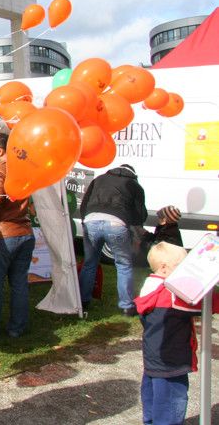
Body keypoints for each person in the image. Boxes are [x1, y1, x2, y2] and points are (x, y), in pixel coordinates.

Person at [135, 241, 218, 425]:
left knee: (154, 399)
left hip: (154, 357)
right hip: (171, 361)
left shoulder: (150, 284)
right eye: (181, 267)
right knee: (171, 404)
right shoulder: (172, 292)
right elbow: (207, 302)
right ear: (164, 268)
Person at [0, 133, 34, 338]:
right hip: (25, 231)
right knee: (19, 283)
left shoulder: (2, 167)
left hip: (4, 233)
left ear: (0, 151)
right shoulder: (24, 164)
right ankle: (17, 328)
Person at [79, 163, 147, 316]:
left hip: (91, 221)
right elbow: (139, 214)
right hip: (117, 223)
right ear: (132, 174)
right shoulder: (134, 185)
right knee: (123, 264)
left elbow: (84, 204)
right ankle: (127, 306)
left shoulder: (99, 179)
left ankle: (82, 301)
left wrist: (85, 221)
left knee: (89, 263)